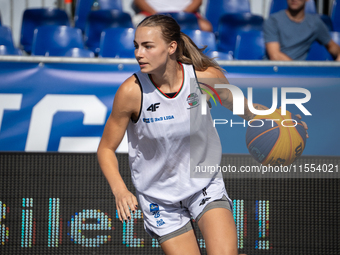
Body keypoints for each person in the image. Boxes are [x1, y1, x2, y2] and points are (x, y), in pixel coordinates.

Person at [97, 14, 307, 254]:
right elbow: (105, 148)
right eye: (136, 46)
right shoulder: (131, 92)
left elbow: (246, 110)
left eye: (147, 46)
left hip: (203, 184)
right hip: (159, 198)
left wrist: (285, 121)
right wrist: (120, 190)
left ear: (171, 47)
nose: (138, 53)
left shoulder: (205, 77)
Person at [263, 0, 340, 61]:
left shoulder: (315, 23)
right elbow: (275, 56)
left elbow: (332, 47)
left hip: (297, 75)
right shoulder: (273, 21)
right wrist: (299, 69)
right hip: (273, 73)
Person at [132, 0, 213, 32]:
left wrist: (181, 15)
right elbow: (138, 1)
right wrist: (155, 14)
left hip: (185, 16)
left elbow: (198, 1)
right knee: (135, 26)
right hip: (150, 14)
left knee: (206, 27)